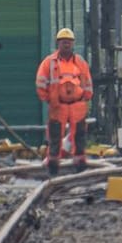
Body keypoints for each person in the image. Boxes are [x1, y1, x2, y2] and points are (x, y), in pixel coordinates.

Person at [35, 27, 93, 176]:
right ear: (58, 44)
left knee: (79, 135)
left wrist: (86, 96)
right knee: (55, 135)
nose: (66, 45)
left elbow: (87, 81)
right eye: (63, 42)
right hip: (58, 104)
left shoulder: (80, 62)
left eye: (68, 42)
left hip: (77, 104)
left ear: (73, 44)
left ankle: (80, 164)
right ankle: (53, 165)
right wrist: (48, 98)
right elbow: (41, 82)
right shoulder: (49, 62)